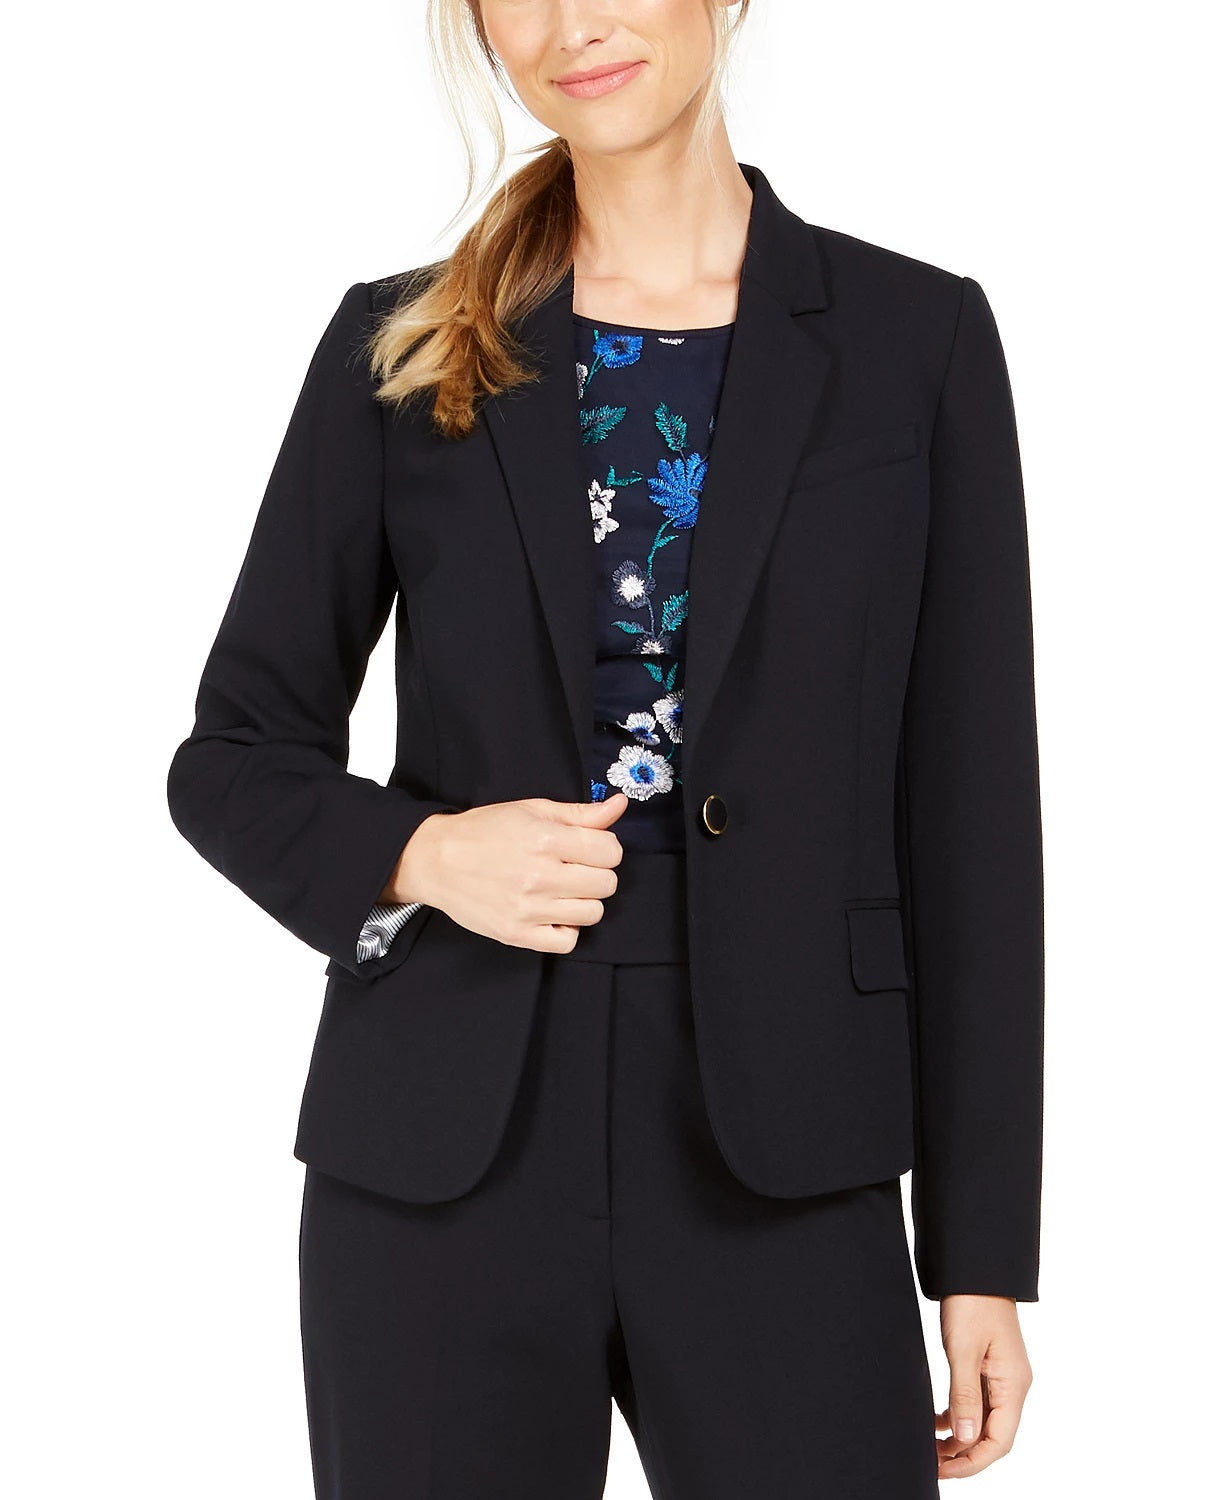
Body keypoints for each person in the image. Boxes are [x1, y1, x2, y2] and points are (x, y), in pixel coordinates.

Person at [166, 2, 1044, 1495]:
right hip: (445, 1148)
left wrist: (979, 1256)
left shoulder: (916, 340)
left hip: (789, 1145)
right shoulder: (403, 341)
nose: (574, 23)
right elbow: (234, 753)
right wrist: (425, 852)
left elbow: (969, 816)